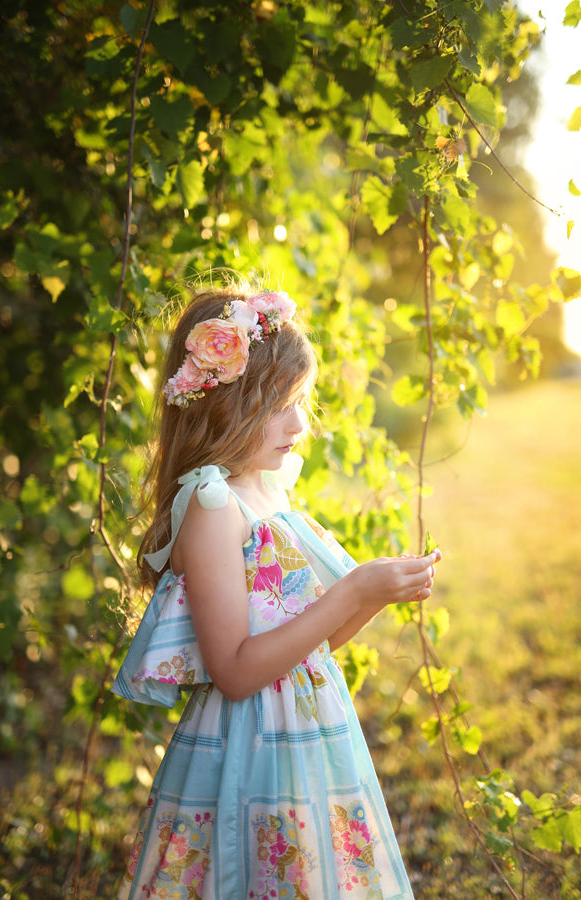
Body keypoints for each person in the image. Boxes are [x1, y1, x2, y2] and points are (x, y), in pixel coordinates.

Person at [112, 284, 441, 900]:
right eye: (278, 405)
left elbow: (314, 641)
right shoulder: (213, 505)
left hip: (308, 737)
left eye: (302, 402)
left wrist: (372, 592)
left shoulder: (270, 492)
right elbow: (235, 671)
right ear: (222, 402)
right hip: (247, 747)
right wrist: (353, 590)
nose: (298, 424)